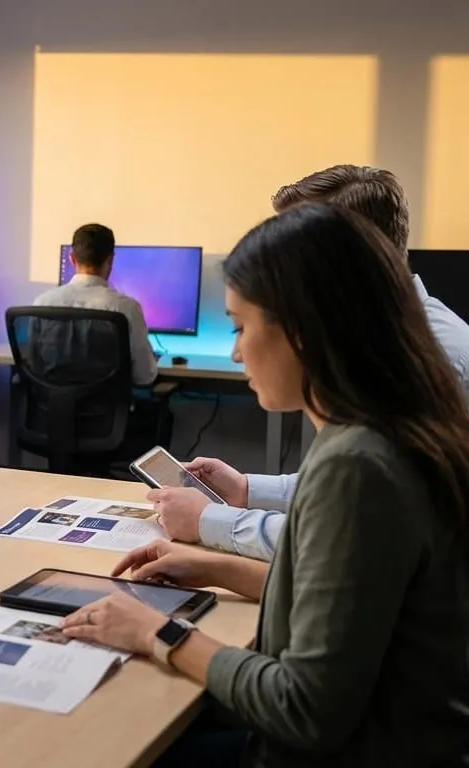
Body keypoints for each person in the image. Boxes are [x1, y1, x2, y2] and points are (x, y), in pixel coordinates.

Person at [60, 203, 469, 767]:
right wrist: (216, 568)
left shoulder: (358, 464)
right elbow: (354, 602)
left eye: (239, 326)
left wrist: (155, 631)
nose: (232, 350)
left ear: (302, 330)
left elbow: (304, 707)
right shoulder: (383, 430)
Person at [151, 165, 469, 559]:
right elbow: (350, 494)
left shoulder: (427, 359)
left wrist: (210, 521)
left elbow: (354, 537)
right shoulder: (379, 342)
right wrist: (246, 489)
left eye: (291, 256)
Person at [34, 223, 159, 386]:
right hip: (106, 409)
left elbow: (35, 366)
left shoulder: (42, 303)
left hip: (52, 407)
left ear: (72, 259)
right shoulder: (126, 308)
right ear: (110, 259)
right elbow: (144, 377)